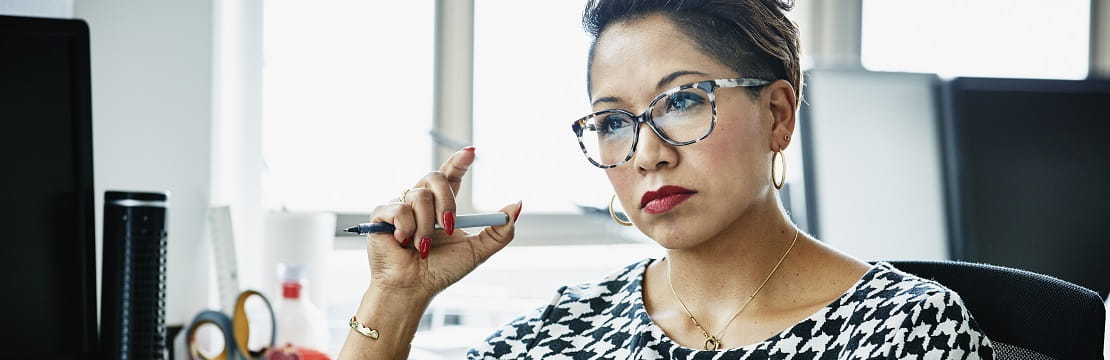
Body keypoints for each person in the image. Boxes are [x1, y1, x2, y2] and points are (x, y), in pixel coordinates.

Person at [339, 0, 994, 358]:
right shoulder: (565, 332)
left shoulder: (906, 332)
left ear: (777, 114)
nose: (646, 153)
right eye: (613, 121)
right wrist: (395, 298)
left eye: (682, 101)